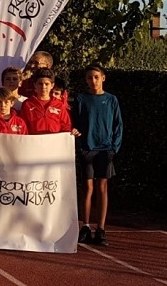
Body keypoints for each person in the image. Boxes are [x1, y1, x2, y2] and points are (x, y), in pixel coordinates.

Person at [73, 65, 123, 247]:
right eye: (89, 78)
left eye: (96, 77)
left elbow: (118, 126)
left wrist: (114, 148)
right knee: (87, 187)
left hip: (105, 150)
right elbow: (75, 125)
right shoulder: (81, 99)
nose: (92, 81)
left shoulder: (111, 100)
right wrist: (80, 147)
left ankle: (100, 229)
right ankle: (85, 226)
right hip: (87, 149)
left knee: (102, 187)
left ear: (103, 78)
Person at [20, 68, 76, 135]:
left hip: (54, 143)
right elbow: (22, 126)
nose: (43, 87)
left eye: (47, 84)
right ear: (35, 84)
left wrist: (70, 133)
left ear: (52, 85)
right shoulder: (27, 104)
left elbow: (66, 126)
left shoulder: (59, 105)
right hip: (34, 143)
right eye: (40, 84)